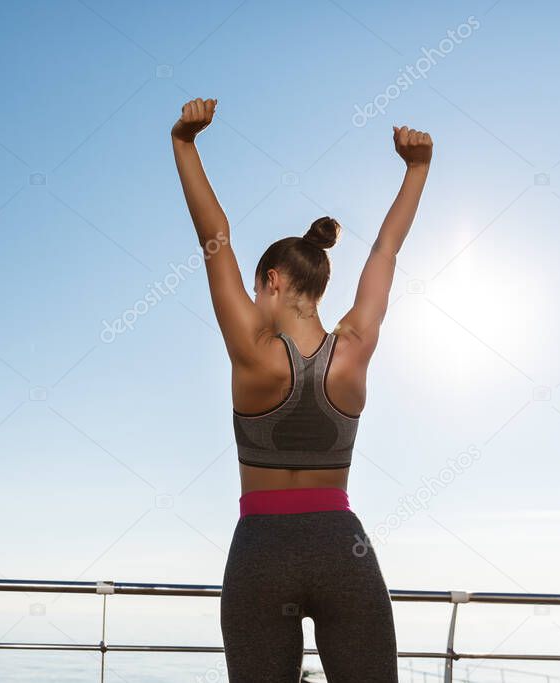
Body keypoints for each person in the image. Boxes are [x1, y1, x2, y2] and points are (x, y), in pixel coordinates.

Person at [171, 97, 432, 682]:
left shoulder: (254, 354)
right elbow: (386, 252)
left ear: (272, 281)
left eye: (259, 290)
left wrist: (184, 143)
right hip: (343, 548)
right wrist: (417, 169)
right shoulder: (354, 348)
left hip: (260, 551)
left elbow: (213, 238)